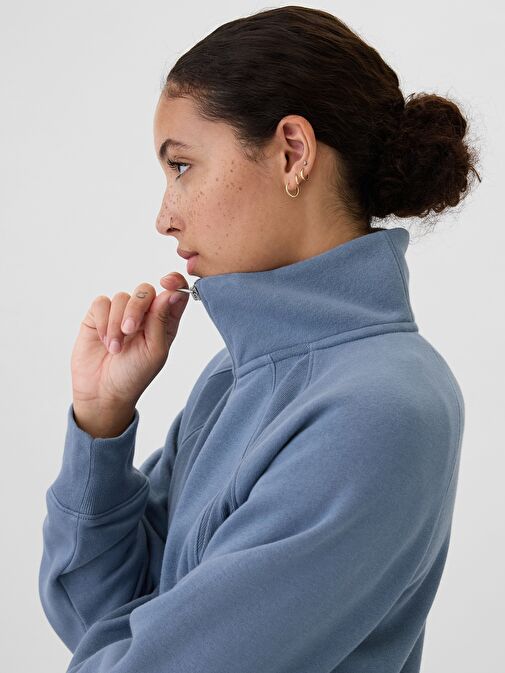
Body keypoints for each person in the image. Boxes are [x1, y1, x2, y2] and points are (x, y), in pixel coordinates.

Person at [38, 6, 481, 673]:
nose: (164, 217)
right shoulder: (234, 378)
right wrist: (101, 423)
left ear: (292, 152)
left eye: (181, 166)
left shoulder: (379, 406)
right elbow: (96, 616)